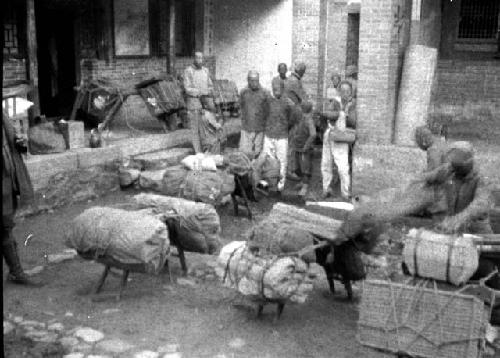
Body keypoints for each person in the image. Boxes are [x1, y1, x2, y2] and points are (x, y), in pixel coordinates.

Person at [3, 111, 43, 286]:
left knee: (5, 227)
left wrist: (20, 143)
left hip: (7, 180)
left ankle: (16, 272)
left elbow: (12, 144)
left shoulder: (3, 115)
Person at [258, 79, 295, 193]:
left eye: (278, 88)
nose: (276, 90)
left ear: (282, 89)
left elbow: (293, 119)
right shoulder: (268, 101)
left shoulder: (288, 103)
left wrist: (285, 127)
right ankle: (267, 183)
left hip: (282, 136)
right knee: (268, 160)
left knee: (282, 161)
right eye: (274, 88)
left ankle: (280, 186)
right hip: (269, 135)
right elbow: (263, 115)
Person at [320, 100, 354, 201]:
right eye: (328, 108)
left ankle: (345, 193)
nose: (329, 110)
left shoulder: (341, 114)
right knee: (325, 165)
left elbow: (349, 121)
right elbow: (325, 119)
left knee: (342, 168)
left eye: (331, 108)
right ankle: (326, 189)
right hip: (329, 138)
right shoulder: (328, 118)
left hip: (340, 141)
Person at [183, 52, 215, 153]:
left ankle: (207, 150)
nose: (199, 60)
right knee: (195, 129)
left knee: (205, 128)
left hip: (205, 103)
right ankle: (198, 152)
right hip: (194, 103)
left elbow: (210, 85)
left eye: (201, 58)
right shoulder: (188, 71)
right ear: (194, 59)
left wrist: (209, 91)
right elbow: (187, 88)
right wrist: (199, 93)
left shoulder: (206, 71)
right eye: (197, 58)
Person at [284, 62, 310, 182]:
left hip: (290, 114)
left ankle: (291, 168)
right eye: (303, 71)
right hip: (293, 115)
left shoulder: (290, 79)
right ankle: (289, 171)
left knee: (290, 143)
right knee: (292, 144)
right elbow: (303, 99)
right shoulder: (294, 81)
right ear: (301, 71)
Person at [238, 71, 270, 158]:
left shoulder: (265, 93)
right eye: (252, 80)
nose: (254, 83)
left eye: (256, 80)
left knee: (258, 153)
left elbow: (268, 110)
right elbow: (241, 107)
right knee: (244, 153)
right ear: (248, 80)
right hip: (246, 128)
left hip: (260, 128)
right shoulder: (243, 92)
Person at [290, 102, 316, 197]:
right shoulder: (302, 119)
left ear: (303, 110)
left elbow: (313, 134)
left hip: (304, 150)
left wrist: (306, 146)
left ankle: (305, 186)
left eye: (300, 109)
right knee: (298, 168)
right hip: (298, 148)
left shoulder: (309, 121)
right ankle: (302, 182)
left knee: (305, 169)